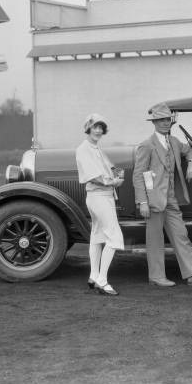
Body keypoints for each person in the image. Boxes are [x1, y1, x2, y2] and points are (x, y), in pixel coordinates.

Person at [133, 102, 192, 287]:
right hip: (154, 199)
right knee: (155, 239)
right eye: (160, 120)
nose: (165, 123)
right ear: (154, 122)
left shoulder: (174, 142)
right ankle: (156, 276)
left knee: (181, 235)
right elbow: (138, 175)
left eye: (167, 119)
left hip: (171, 199)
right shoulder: (146, 145)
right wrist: (142, 202)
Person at [75, 113, 124, 296]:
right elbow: (92, 176)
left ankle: (94, 276)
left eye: (101, 127)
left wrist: (119, 174)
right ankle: (103, 281)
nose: (98, 130)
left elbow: (112, 167)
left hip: (102, 197)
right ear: (88, 128)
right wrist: (113, 182)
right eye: (95, 126)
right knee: (115, 237)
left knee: (97, 235)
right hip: (99, 197)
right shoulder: (83, 149)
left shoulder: (97, 148)